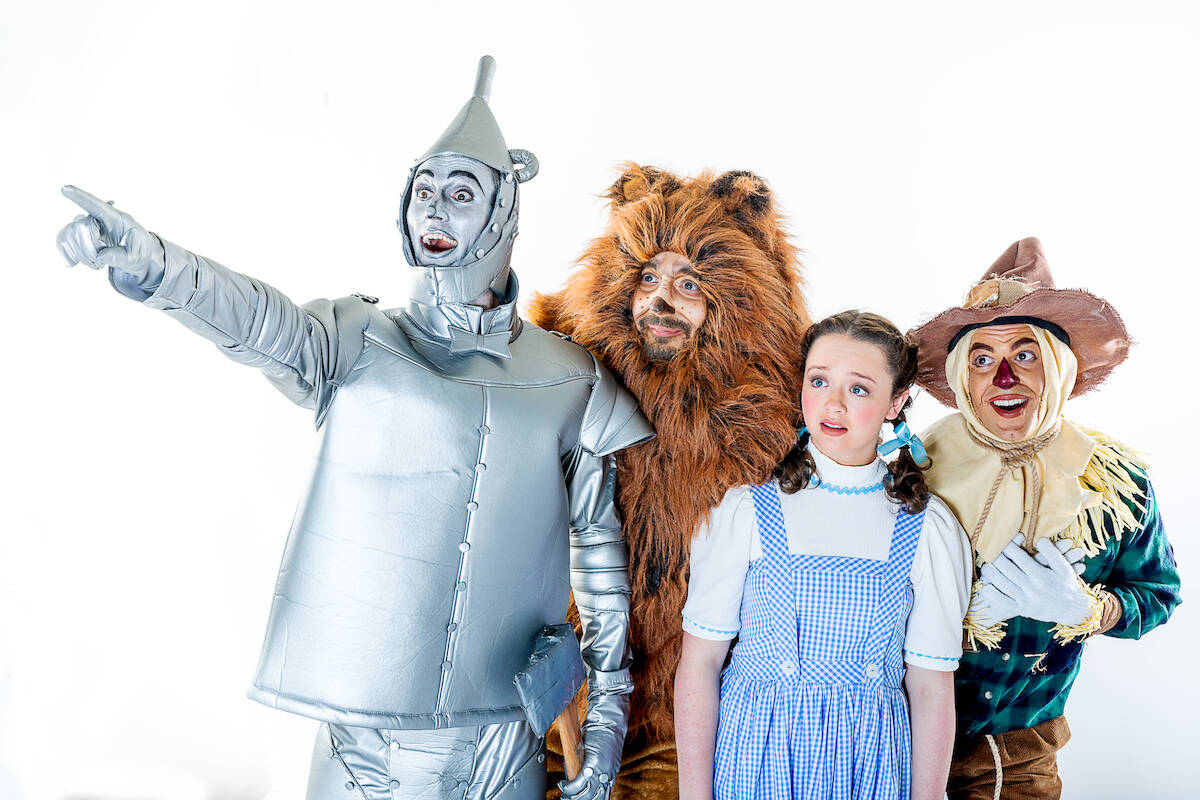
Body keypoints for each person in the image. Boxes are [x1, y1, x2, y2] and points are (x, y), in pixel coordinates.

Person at [54, 56, 653, 800]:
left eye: (461, 194)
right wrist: (154, 266)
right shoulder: (356, 338)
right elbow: (253, 318)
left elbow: (599, 556)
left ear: (504, 213)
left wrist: (603, 724)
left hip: (509, 741)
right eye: (424, 192)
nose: (436, 211)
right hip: (368, 741)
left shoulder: (570, 376)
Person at [526, 164, 810, 797]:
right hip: (559, 688)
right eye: (647, 277)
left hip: (690, 699)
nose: (660, 299)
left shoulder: (776, 408)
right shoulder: (563, 371)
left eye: (689, 283)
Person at [907, 237, 1182, 799]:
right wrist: (959, 613)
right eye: (981, 359)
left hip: (1020, 752)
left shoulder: (1113, 484)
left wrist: (1087, 608)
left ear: (1059, 367)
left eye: (1025, 355)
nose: (1002, 377)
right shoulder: (908, 471)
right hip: (891, 735)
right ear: (962, 376)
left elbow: (1159, 596)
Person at [674, 310, 973, 800]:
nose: (832, 405)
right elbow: (700, 664)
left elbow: (930, 686)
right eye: (819, 381)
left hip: (871, 761)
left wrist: (929, 797)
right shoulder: (747, 510)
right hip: (756, 758)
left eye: (858, 389)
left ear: (896, 402)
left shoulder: (927, 527)